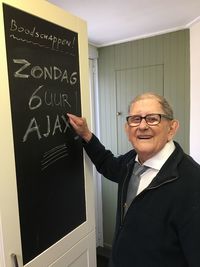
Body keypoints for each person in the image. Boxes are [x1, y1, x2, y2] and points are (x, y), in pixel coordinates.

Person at [67, 92, 200, 267]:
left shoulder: (193, 183)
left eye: (153, 118)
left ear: (172, 128)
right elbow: (108, 164)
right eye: (135, 119)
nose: (142, 126)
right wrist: (86, 135)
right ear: (127, 129)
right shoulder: (132, 161)